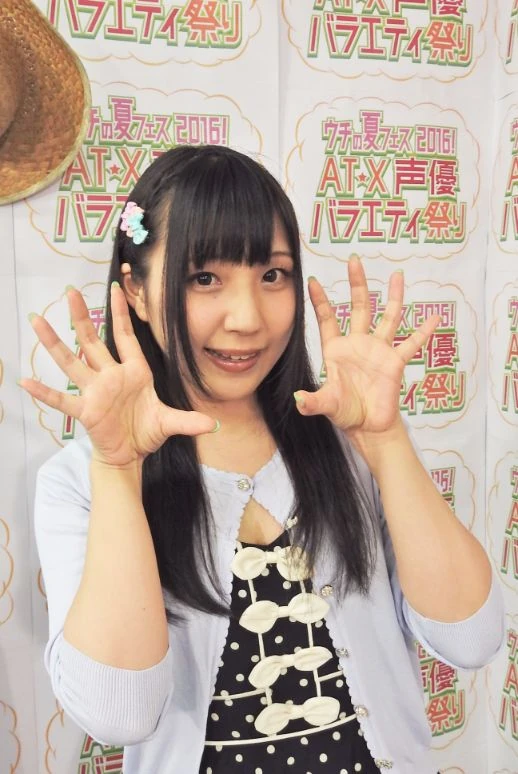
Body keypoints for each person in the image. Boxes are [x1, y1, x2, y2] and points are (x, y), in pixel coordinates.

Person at [23, 145, 503, 774]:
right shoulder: (80, 480)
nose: (248, 319)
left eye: (273, 275)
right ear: (135, 290)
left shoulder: (349, 439)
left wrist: (386, 442)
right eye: (204, 278)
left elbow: (472, 639)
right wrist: (118, 471)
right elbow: (120, 714)